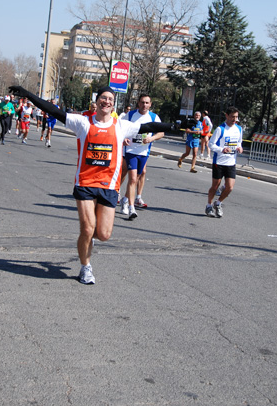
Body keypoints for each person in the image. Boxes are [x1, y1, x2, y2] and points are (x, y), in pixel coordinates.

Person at [9, 84, 176, 285]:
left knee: (103, 234)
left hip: (109, 186)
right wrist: (28, 95)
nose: (106, 102)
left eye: (110, 100)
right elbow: (54, 111)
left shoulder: (121, 126)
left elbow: (149, 127)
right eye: (103, 98)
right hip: (85, 182)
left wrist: (172, 126)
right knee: (87, 229)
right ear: (97, 101)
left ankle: (89, 240)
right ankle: (85, 267)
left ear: (113, 105)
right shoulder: (83, 122)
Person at [119, 94, 164, 220]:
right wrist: (123, 139)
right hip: (131, 151)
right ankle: (131, 208)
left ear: (150, 104)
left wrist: (151, 138)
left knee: (135, 179)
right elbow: (119, 128)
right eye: (142, 102)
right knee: (132, 179)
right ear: (138, 103)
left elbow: (161, 133)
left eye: (147, 103)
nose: (144, 105)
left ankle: (125, 199)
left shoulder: (154, 117)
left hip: (144, 152)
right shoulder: (131, 115)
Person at [205, 106, 243, 218]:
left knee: (230, 187)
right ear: (226, 116)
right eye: (232, 117)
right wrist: (222, 149)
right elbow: (211, 144)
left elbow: (239, 142)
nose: (234, 119)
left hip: (231, 162)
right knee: (215, 186)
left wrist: (240, 148)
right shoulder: (220, 129)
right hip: (219, 162)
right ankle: (209, 205)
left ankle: (218, 203)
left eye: (236, 117)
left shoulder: (239, 129)